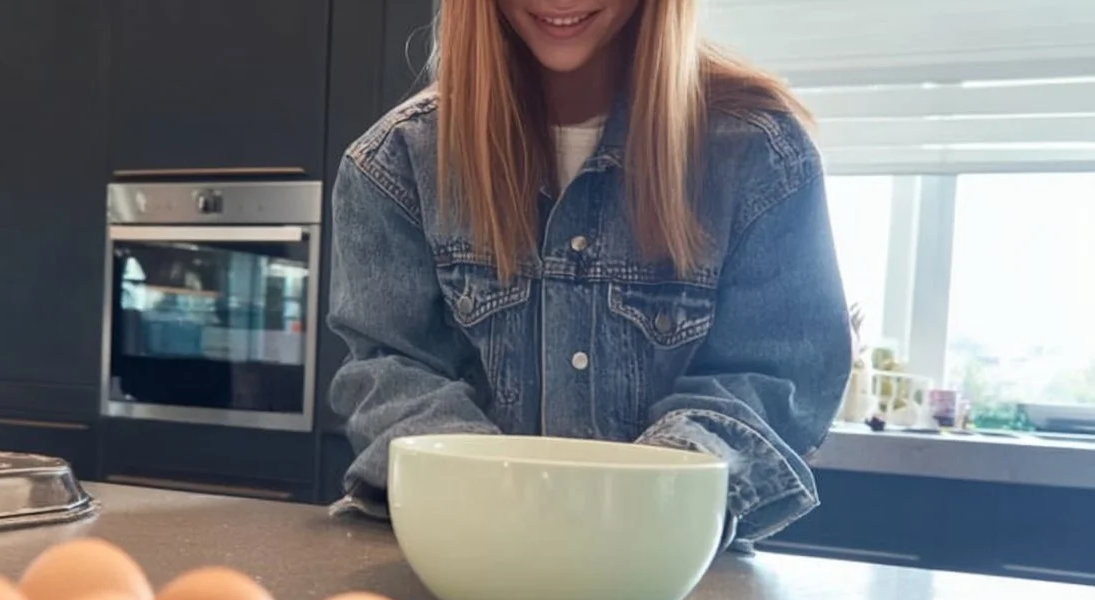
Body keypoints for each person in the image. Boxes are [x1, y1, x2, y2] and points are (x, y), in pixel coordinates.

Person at [326, 0, 852, 551]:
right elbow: (389, 369)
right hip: (452, 557)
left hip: (666, 576)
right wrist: (499, 501)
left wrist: (635, 507)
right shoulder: (394, 164)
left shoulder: (761, 156)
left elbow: (770, 377)